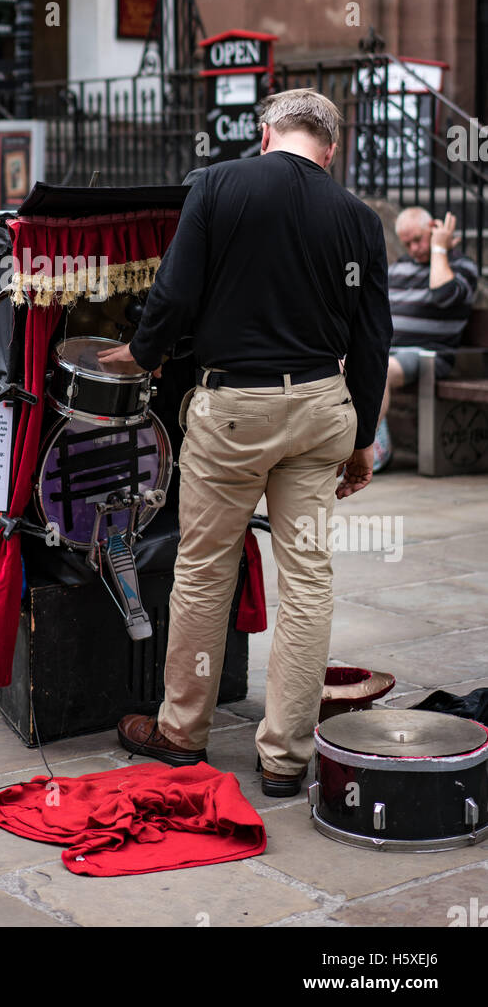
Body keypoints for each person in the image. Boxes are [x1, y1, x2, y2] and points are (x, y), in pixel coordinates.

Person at [99, 89, 393, 796]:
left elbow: (172, 293)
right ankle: (285, 759)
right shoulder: (357, 218)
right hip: (322, 405)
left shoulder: (218, 184)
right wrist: (359, 441)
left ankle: (181, 732)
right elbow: (373, 339)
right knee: (308, 581)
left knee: (204, 570)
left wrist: (142, 353)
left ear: (265, 134)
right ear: (330, 149)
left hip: (233, 408)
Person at [372, 206, 478, 472]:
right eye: (407, 243)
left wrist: (439, 250)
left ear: (433, 228)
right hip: (391, 351)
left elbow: (443, 294)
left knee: (377, 371)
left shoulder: (461, 266)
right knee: (341, 364)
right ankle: (374, 439)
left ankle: (367, 448)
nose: (414, 248)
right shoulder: (399, 268)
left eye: (418, 239)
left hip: (430, 355)